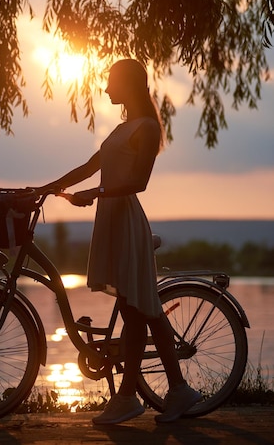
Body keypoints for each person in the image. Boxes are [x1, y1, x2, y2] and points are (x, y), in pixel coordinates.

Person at [38, 59, 202, 425]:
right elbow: (88, 166)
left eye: (112, 83)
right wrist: (46, 189)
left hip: (126, 219)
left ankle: (132, 396)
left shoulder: (144, 128)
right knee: (141, 309)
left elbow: (140, 182)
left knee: (138, 308)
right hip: (111, 218)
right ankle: (171, 391)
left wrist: (95, 193)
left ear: (128, 85)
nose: (107, 90)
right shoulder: (123, 128)